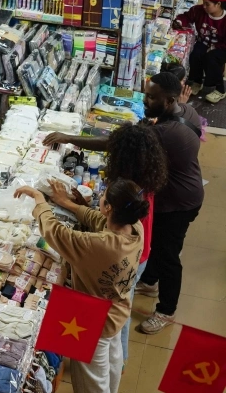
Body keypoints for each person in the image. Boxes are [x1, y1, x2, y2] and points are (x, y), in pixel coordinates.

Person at [43, 72, 204, 335]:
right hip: (180, 193)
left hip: (178, 202)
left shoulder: (163, 134)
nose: (145, 100)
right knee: (157, 245)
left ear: (169, 100)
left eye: (151, 97)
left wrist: (70, 138)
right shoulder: (186, 112)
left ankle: (166, 311)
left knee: (168, 254)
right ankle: (149, 280)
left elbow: (114, 144)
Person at [15, 179, 147, 393]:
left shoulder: (99, 246)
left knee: (92, 383)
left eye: (103, 196)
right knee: (112, 362)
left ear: (109, 207)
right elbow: (98, 219)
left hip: (94, 321)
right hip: (118, 310)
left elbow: (56, 233)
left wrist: (39, 200)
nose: (100, 197)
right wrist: (67, 203)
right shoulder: (135, 228)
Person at [104, 124, 168, 365]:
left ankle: (119, 361)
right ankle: (119, 359)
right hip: (142, 254)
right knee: (124, 307)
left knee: (119, 313)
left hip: (130, 259)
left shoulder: (129, 192)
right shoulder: (145, 181)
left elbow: (115, 227)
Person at [173, 0, 226, 103]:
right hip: (203, 43)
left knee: (211, 58)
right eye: (204, 2)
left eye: (207, 4)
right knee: (196, 54)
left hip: (222, 47)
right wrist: (179, 21)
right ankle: (197, 81)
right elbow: (186, 17)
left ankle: (220, 89)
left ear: (218, 4)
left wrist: (214, 47)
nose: (204, 6)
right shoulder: (198, 10)